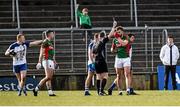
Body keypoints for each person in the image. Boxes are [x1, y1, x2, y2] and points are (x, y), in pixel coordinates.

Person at [92, 21, 117, 95]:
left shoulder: (94, 44)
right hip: (101, 60)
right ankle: (101, 90)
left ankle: (98, 92)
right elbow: (110, 35)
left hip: (96, 61)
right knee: (105, 76)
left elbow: (93, 54)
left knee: (98, 77)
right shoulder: (102, 41)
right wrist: (114, 26)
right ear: (103, 36)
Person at [33, 30, 57, 96]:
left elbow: (51, 53)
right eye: (52, 34)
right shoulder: (45, 42)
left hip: (50, 60)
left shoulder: (50, 43)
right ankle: (36, 89)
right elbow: (41, 52)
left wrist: (54, 61)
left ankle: (50, 92)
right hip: (46, 60)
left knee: (49, 77)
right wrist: (39, 62)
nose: (53, 35)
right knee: (48, 77)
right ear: (49, 34)